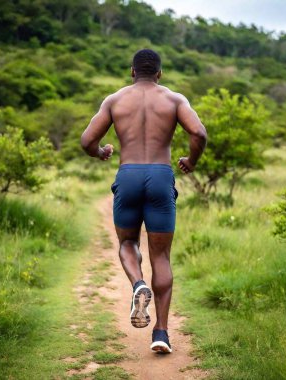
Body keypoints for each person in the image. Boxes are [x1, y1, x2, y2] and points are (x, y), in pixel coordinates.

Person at [81, 49, 207, 354]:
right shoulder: (175, 99)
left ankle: (138, 284)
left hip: (129, 174)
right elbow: (199, 133)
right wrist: (191, 160)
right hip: (161, 176)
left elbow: (87, 141)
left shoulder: (114, 100)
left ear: (132, 72)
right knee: (161, 256)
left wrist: (101, 153)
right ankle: (161, 333)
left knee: (127, 244)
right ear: (160, 74)